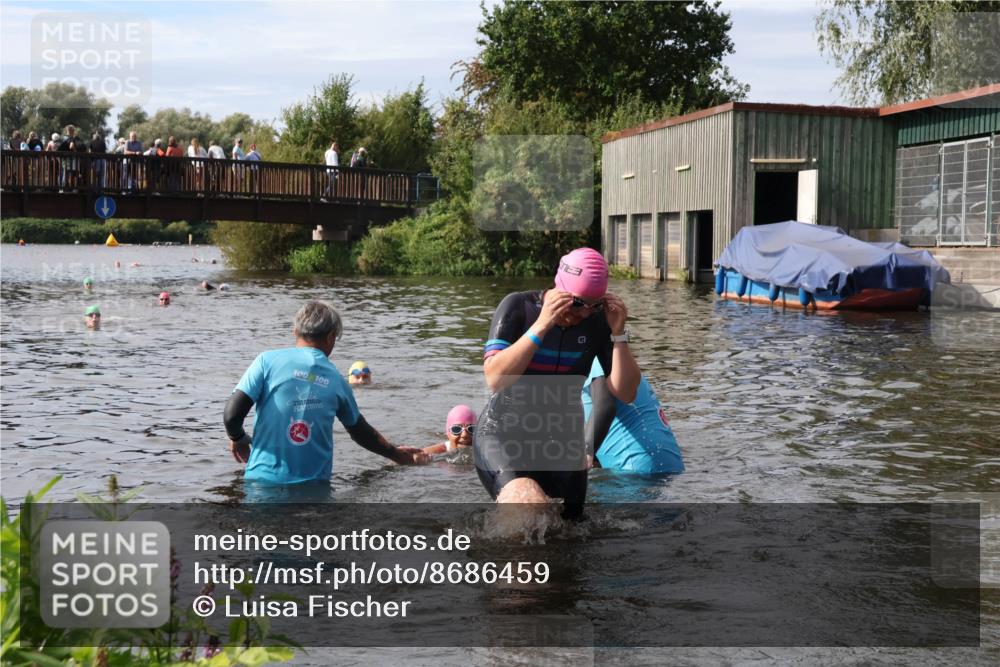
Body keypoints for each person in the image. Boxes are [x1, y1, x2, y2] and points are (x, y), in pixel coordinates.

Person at [474, 247, 640, 518]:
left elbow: (627, 392)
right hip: (504, 434)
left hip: (564, 443)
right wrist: (542, 325)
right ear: (558, 287)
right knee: (527, 506)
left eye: (594, 305)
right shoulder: (520, 308)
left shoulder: (598, 323)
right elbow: (495, 379)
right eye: (576, 303)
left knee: (570, 535)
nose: (584, 313)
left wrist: (619, 334)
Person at [223, 300, 428, 485]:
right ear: (331, 337)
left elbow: (232, 414)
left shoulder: (265, 362)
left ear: (295, 331)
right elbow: (361, 432)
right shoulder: (336, 380)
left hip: (261, 484)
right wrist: (399, 456)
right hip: (313, 489)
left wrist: (238, 437)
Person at [581, 359, 684, 474]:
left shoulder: (595, 360)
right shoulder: (619, 361)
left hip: (634, 469)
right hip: (670, 465)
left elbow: (605, 406)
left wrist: (583, 454)